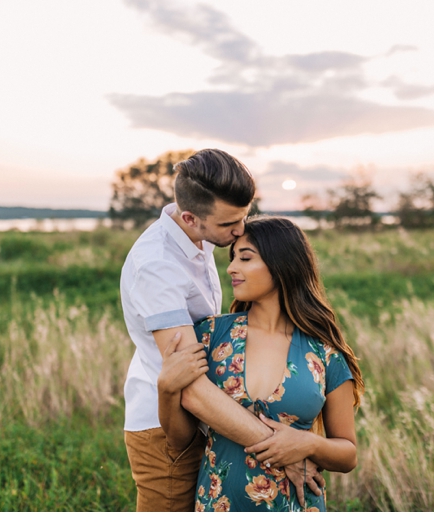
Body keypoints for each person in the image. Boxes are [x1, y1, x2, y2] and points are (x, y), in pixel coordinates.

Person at [120, 150, 323, 512]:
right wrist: (282, 449)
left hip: (213, 421)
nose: (241, 230)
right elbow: (190, 387)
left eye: (244, 217)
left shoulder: (197, 237)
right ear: (189, 217)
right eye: (231, 223)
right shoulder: (157, 267)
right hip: (165, 427)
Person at [158, 216, 365, 512]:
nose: (231, 268)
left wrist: (308, 445)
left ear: (281, 263)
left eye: (245, 258)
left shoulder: (325, 354)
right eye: (233, 258)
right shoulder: (210, 335)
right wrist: (166, 390)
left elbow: (348, 455)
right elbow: (180, 439)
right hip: (218, 507)